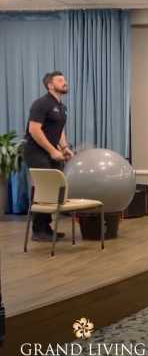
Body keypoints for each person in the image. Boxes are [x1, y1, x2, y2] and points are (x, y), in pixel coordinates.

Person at [24, 72, 75, 242]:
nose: (65, 82)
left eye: (64, 79)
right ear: (50, 85)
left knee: (52, 190)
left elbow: (59, 130)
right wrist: (52, 151)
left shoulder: (62, 107)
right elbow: (34, 130)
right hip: (36, 152)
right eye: (60, 80)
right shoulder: (41, 103)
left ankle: (45, 228)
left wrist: (64, 147)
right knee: (43, 189)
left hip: (50, 152)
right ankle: (38, 231)